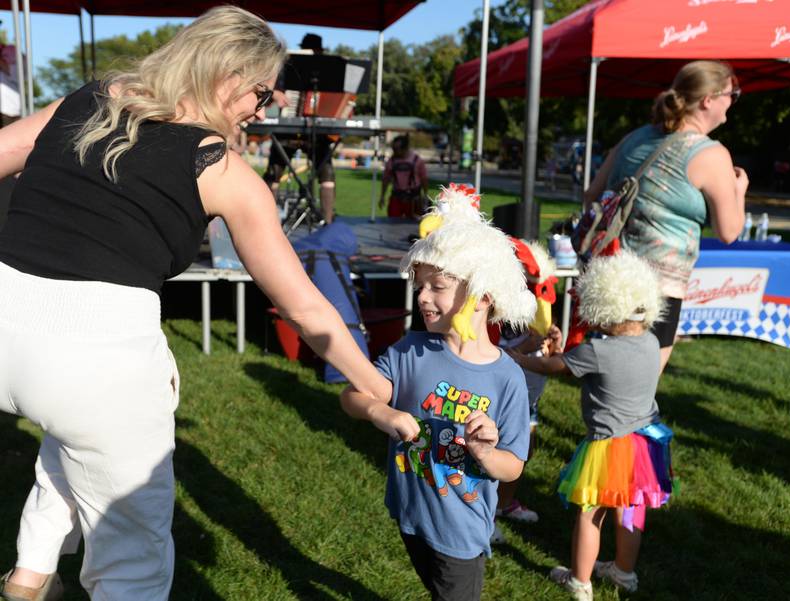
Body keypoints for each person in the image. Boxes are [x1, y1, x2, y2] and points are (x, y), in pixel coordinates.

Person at [0, 7, 388, 600]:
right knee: (133, 557)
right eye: (261, 93)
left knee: (75, 434)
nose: (262, 110)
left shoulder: (89, 98)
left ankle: (30, 575)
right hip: (98, 358)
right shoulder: (224, 172)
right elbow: (307, 310)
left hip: (7, 324)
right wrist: (377, 386)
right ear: (227, 76)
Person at [340, 184, 535, 601]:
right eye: (420, 283)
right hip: (410, 513)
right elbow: (352, 397)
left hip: (460, 530)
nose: (422, 295)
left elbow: (513, 467)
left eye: (437, 286)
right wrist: (383, 414)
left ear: (482, 296)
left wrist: (485, 453)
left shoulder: (507, 378)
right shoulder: (410, 351)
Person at [509, 251, 675, 601]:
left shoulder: (598, 351)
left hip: (606, 446)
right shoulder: (650, 342)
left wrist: (521, 358)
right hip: (644, 444)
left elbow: (554, 367)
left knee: (590, 513)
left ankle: (579, 580)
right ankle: (623, 573)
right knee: (630, 514)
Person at [584, 60, 748, 373]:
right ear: (708, 100)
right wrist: (740, 189)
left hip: (609, 273)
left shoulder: (634, 138)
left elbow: (592, 194)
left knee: (605, 379)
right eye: (732, 94)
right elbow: (729, 231)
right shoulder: (711, 154)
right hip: (657, 290)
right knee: (637, 388)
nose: (733, 102)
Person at [492, 238, 560, 544]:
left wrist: (553, 339)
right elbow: (489, 351)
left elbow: (542, 336)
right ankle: (486, 514)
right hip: (502, 393)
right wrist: (525, 345)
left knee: (525, 451)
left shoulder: (537, 302)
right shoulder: (500, 307)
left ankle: (505, 503)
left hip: (529, 392)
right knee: (497, 454)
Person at [263, 32, 337, 224]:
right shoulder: (286, 66)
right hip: (289, 126)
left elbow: (335, 99)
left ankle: (327, 222)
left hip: (317, 130)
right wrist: (277, 94)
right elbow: (267, 88)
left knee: (327, 172)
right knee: (274, 172)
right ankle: (266, 222)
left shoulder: (329, 71)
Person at [379, 134, 429, 219]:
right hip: (396, 197)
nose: (394, 152)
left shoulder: (417, 161)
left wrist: (425, 195)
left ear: (405, 149)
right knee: (392, 222)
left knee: (413, 224)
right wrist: (382, 196)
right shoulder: (392, 161)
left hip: (413, 198)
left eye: (396, 149)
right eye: (393, 149)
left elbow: (423, 178)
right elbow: (386, 179)